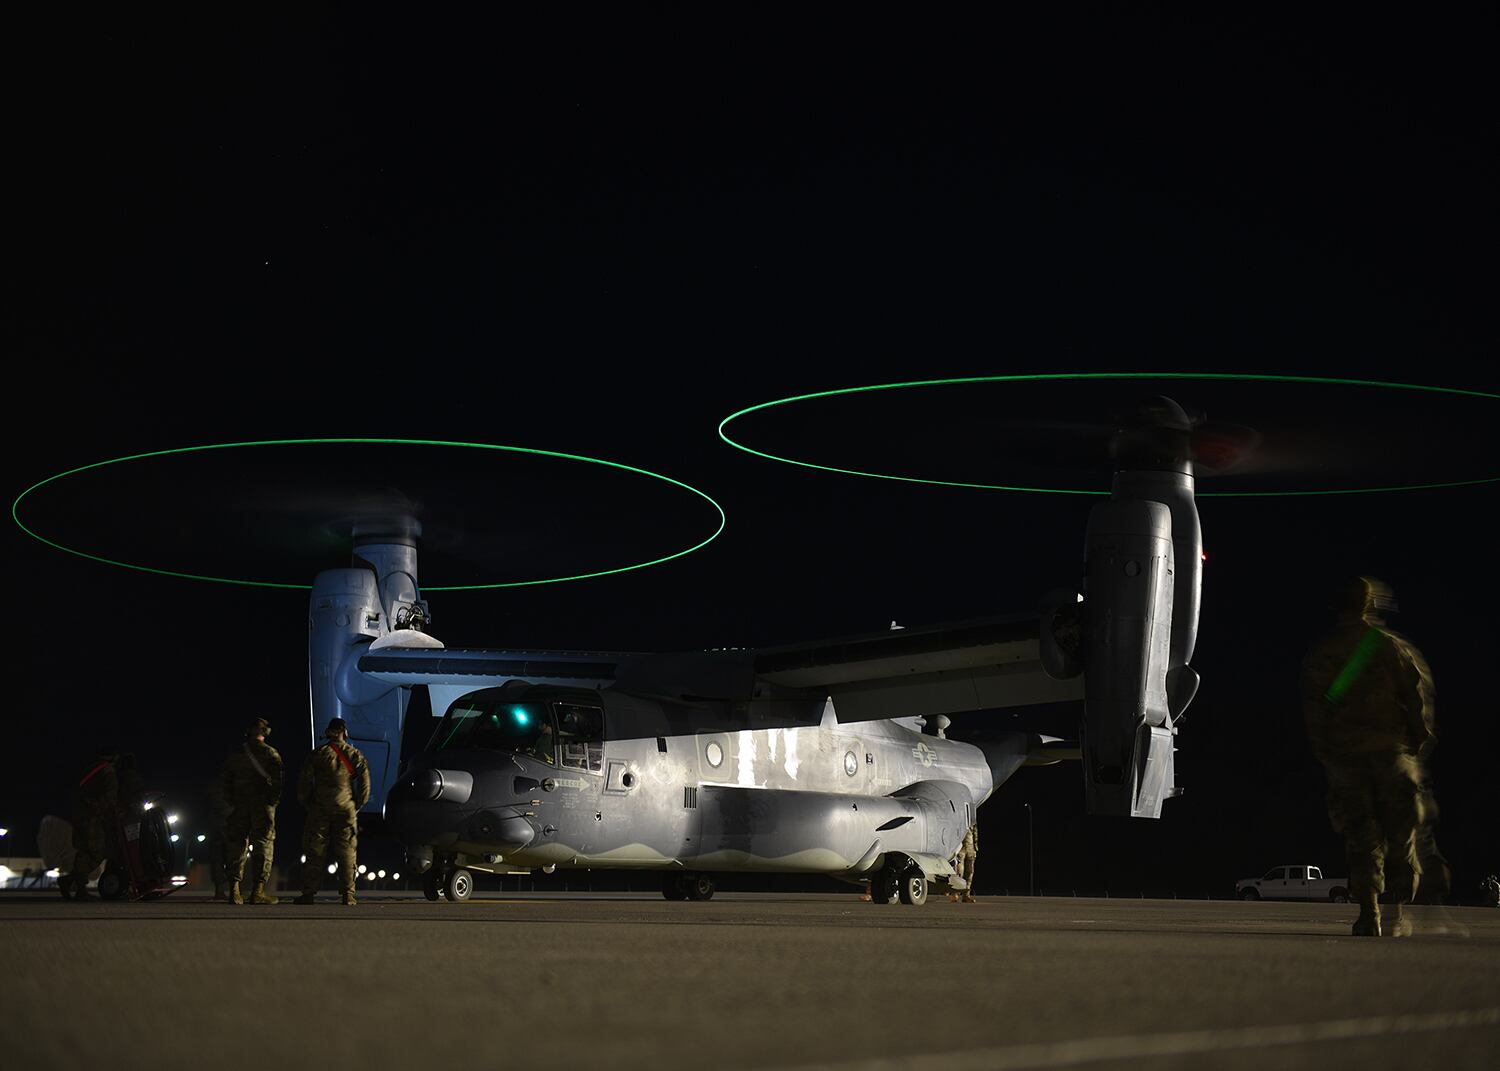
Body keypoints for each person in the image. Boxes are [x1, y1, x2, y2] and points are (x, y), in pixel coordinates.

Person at [1301, 576, 1434, 937]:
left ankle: (1368, 914)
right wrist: (1415, 744)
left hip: (1347, 760)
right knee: (1400, 835)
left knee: (1362, 837)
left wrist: (1326, 752)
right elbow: (1416, 699)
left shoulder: (1325, 653)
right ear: (1371, 604)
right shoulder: (1391, 648)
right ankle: (1396, 912)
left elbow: (1315, 709)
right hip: (1390, 756)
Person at [294, 718, 370, 906]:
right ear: (344, 732)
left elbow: (304, 783)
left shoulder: (318, 754)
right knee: (346, 851)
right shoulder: (354, 754)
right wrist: (358, 803)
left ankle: (308, 894)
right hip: (345, 808)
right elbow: (364, 782)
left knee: (315, 850)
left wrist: (308, 802)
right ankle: (348, 894)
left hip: (319, 808)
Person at [221, 716, 283, 905]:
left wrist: (232, 802)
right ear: (265, 733)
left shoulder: (236, 755)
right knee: (263, 845)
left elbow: (226, 783)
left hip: (239, 806)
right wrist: (271, 803)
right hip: (262, 808)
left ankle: (234, 891)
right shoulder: (271, 754)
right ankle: (258, 891)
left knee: (236, 846)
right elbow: (278, 784)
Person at [63, 746, 121, 900]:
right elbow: (110, 797)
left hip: (78, 815)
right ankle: (73, 884)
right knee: (97, 851)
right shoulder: (108, 771)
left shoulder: (90, 769)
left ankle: (74, 885)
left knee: (83, 851)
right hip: (92, 817)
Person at [206, 765, 233, 901]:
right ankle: (235, 889)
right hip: (229, 823)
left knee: (216, 857)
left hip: (215, 824)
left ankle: (219, 889)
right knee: (232, 856)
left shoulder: (213, 784)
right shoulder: (233, 784)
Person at [950, 822, 978, 903]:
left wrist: (975, 848)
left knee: (970, 872)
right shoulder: (959, 818)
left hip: (970, 848)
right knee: (959, 872)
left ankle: (966, 895)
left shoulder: (972, 820)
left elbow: (975, 832)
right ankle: (955, 894)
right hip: (960, 848)